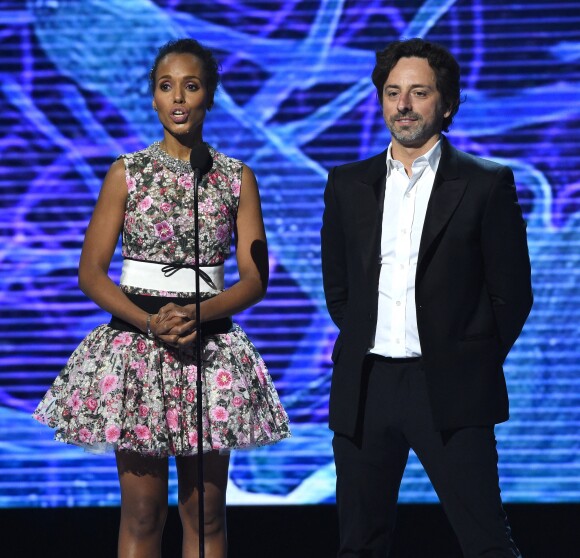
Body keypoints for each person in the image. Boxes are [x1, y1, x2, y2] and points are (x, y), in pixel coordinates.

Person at [33, 38, 291, 558]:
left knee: (206, 516)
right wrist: (150, 324)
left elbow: (254, 278)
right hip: (138, 351)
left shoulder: (236, 177)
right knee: (144, 513)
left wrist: (199, 313)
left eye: (191, 86)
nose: (178, 98)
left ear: (209, 97)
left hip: (209, 352)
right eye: (165, 86)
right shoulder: (126, 173)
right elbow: (91, 272)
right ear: (152, 98)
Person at [321, 38, 532, 557]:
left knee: (485, 541)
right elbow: (339, 290)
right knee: (360, 544)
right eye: (393, 93)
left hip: (450, 387)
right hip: (367, 386)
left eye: (418, 92)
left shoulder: (485, 184)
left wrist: (468, 357)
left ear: (447, 103)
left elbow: (513, 293)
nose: (404, 105)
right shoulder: (348, 184)